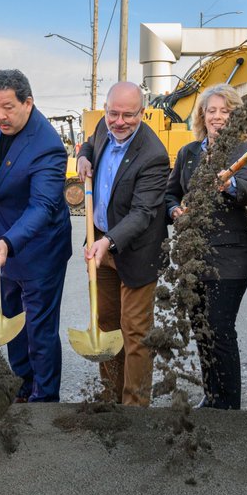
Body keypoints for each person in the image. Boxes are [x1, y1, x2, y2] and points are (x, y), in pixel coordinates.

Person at [0, 69, 72, 403]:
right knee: (12, 318)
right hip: (6, 243)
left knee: (38, 329)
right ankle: (21, 385)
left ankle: (45, 399)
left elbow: (42, 207)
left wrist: (9, 242)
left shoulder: (48, 147)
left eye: (8, 107)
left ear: (28, 103)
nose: (0, 115)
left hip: (39, 247)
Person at [165, 84, 247, 410]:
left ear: (234, 117)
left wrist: (230, 183)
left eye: (225, 111)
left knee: (219, 329)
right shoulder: (188, 153)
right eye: (211, 111)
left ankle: (229, 405)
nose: (217, 117)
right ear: (202, 116)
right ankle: (213, 393)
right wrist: (174, 210)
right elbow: (170, 193)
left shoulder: (243, 151)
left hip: (230, 257)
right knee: (201, 330)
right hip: (194, 258)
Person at [76, 81, 169, 407]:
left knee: (135, 334)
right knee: (106, 324)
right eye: (113, 113)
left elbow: (143, 213)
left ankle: (134, 409)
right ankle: (110, 395)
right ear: (105, 109)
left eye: (128, 115)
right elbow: (90, 142)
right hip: (100, 242)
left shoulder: (154, 156)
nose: (119, 121)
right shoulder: (104, 126)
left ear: (142, 114)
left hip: (134, 252)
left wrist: (110, 242)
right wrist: (83, 157)